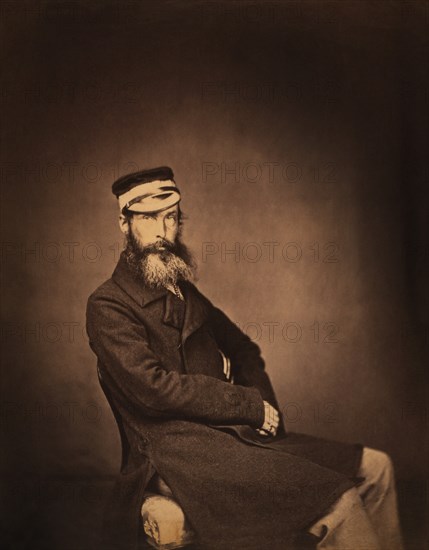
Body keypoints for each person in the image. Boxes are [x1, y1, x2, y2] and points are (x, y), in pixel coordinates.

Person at [86, 167, 403, 550]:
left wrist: (266, 409)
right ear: (124, 223)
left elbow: (243, 348)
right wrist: (248, 405)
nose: (161, 232)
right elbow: (154, 389)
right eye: (148, 219)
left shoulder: (182, 289)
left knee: (376, 467)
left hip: (232, 437)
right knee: (338, 498)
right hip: (176, 457)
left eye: (170, 218)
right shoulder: (108, 306)